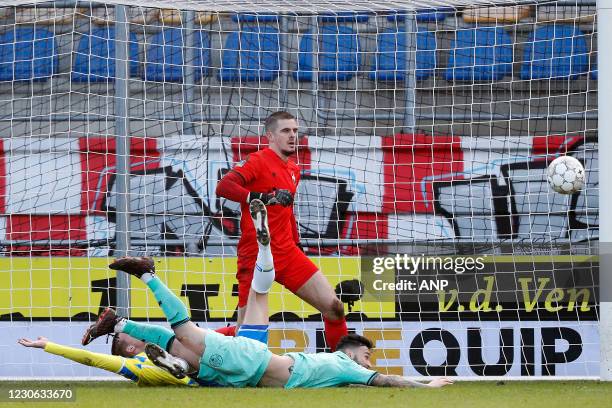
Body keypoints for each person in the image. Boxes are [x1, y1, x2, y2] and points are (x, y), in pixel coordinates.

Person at [83, 200, 453, 389]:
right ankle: (147, 276)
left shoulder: (332, 366)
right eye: (366, 354)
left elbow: (380, 378)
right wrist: (427, 384)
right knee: (185, 335)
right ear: (350, 353)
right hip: (249, 365)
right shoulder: (344, 365)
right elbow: (386, 382)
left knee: (245, 306)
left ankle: (161, 351)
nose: (369, 361)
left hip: (247, 365)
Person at [215, 111, 349, 350]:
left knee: (334, 308)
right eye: (286, 131)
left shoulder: (294, 170)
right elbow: (224, 186)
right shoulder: (258, 160)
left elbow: (287, 212)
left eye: (295, 131)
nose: (293, 136)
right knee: (244, 332)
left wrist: (296, 245)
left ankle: (347, 367)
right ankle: (187, 344)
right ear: (270, 136)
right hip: (255, 254)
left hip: (287, 253)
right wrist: (261, 197)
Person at [17, 334, 208, 386]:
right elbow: (90, 358)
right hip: (194, 380)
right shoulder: (132, 364)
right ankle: (179, 367)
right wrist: (48, 345)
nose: (138, 334)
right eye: (130, 335)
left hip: (181, 378)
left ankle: (178, 367)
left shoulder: (132, 365)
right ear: (130, 348)